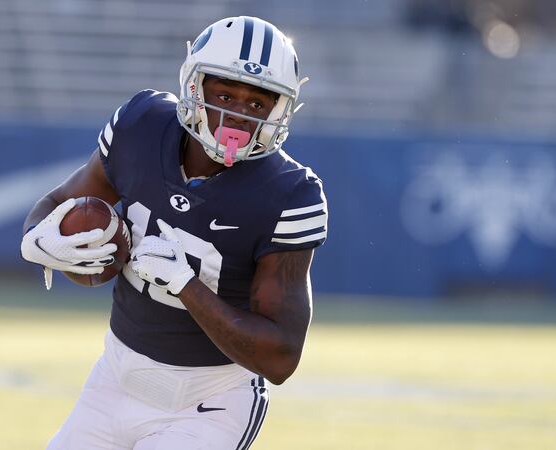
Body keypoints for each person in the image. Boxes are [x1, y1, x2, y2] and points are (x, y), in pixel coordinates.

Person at [20, 16, 328, 449]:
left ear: (281, 109)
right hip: (112, 381)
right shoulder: (141, 125)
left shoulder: (291, 193)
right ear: (194, 86)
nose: (235, 115)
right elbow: (57, 206)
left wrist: (187, 286)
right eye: (223, 94)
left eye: (257, 105)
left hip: (209, 404)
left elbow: (280, 356)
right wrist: (38, 240)